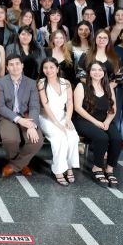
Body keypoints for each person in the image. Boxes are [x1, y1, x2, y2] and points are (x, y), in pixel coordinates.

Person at [73, 61, 121, 186]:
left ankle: (109, 169)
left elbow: (113, 109)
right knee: (102, 137)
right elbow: (78, 108)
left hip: (104, 120)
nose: (97, 72)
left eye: (100, 70)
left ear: (104, 72)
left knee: (117, 139)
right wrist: (96, 122)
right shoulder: (81, 86)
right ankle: (97, 167)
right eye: (94, 69)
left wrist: (107, 121)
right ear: (89, 72)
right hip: (84, 120)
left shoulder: (109, 87)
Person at [0, 54, 43, 177]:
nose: (15, 67)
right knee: (11, 140)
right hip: (7, 116)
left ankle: (15, 165)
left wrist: (32, 125)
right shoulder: (0, 82)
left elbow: (34, 106)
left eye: (17, 64)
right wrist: (19, 120)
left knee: (36, 140)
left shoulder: (31, 83)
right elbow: (0, 106)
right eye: (11, 65)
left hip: (27, 115)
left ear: (22, 65)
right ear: (7, 67)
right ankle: (22, 164)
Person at [38, 58, 79, 186]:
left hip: (63, 116)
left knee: (73, 137)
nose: (48, 70)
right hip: (47, 117)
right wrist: (56, 123)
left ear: (57, 68)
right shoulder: (41, 83)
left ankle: (69, 167)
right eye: (45, 67)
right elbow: (45, 105)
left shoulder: (66, 83)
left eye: (51, 67)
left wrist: (67, 119)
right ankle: (58, 170)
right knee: (59, 137)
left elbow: (70, 103)